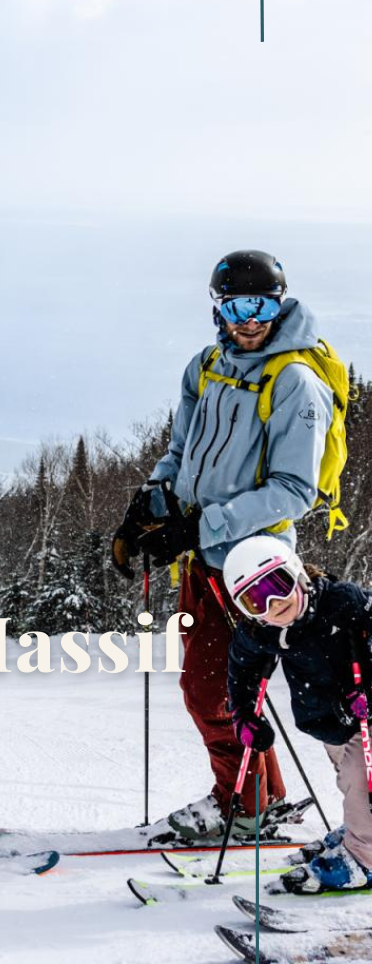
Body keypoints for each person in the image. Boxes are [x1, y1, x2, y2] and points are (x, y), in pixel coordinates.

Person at [111, 250, 341, 840]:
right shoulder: (206, 367)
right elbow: (180, 453)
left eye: (262, 305)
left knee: (221, 690)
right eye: (236, 304)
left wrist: (201, 525)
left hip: (258, 567)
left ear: (279, 303)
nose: (250, 318)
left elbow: (295, 491)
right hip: (202, 562)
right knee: (208, 686)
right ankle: (256, 795)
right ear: (218, 307)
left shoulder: (294, 383)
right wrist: (148, 507)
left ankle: (242, 803)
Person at [224, 534, 372, 892]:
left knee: (360, 778)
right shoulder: (261, 632)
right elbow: (241, 669)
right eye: (255, 600)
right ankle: (361, 827)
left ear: (296, 573)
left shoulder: (343, 603)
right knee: (346, 773)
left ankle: (365, 855)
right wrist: (243, 713)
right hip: (326, 718)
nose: (273, 604)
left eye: (277, 585)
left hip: (363, 710)